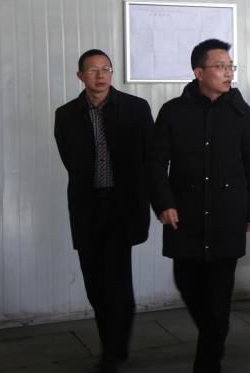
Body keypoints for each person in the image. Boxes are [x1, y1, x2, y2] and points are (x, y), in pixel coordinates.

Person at [150, 38, 250, 373]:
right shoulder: (173, 111)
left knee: (218, 295)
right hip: (184, 215)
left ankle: (207, 363)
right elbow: (155, 164)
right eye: (220, 67)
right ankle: (214, 334)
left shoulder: (241, 113)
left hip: (227, 216)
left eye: (231, 66)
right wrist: (164, 203)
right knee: (186, 282)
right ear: (199, 72)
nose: (228, 73)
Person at [54, 49, 154, 373]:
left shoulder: (136, 109)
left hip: (122, 206)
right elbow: (70, 160)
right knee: (94, 282)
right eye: (93, 70)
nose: (101, 75)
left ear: (112, 73)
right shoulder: (66, 115)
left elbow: (150, 159)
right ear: (80, 76)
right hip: (87, 206)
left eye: (106, 69)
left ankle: (113, 350)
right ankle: (112, 344)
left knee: (117, 280)